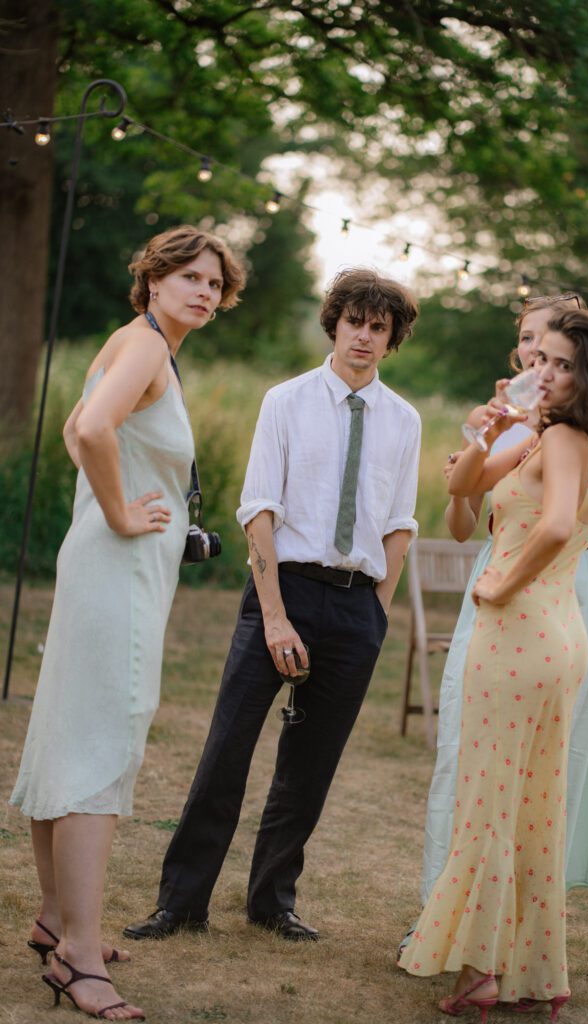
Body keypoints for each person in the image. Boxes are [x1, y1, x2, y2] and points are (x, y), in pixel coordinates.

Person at [123, 267, 421, 944]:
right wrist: (278, 616)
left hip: (355, 608)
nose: (364, 338)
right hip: (280, 594)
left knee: (309, 767)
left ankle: (271, 900)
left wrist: (375, 610)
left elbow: (398, 524)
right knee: (227, 748)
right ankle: (181, 902)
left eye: (379, 328)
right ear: (334, 323)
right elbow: (259, 512)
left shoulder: (403, 420)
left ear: (391, 337)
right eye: (355, 322)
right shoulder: (284, 401)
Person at [10, 225, 245, 1020]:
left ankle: (55, 918)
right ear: (151, 278)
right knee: (100, 745)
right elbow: (86, 430)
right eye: (189, 275)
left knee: (73, 734)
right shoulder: (144, 346)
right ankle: (77, 956)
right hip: (115, 570)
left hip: (112, 568)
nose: (204, 291)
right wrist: (120, 513)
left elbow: (90, 426)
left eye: (215, 283)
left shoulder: (139, 344)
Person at [398, 309, 588, 1021]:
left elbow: (560, 524)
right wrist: (486, 428)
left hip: (520, 632)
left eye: (564, 364)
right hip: (555, 634)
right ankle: (536, 970)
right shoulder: (546, 433)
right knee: (532, 807)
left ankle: (479, 972)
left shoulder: (566, 437)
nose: (548, 371)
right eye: (545, 360)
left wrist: (499, 585)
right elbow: (460, 492)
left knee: (489, 804)